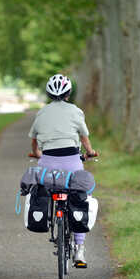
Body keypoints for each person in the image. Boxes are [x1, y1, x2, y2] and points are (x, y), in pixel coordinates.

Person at [29, 74, 97, 268]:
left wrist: (36, 154)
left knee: (47, 189)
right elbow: (83, 137)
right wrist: (90, 152)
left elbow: (34, 141)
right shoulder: (76, 111)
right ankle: (80, 249)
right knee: (80, 196)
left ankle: (51, 217)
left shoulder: (41, 113)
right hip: (72, 162)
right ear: (69, 93)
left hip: (47, 164)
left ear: (49, 94)